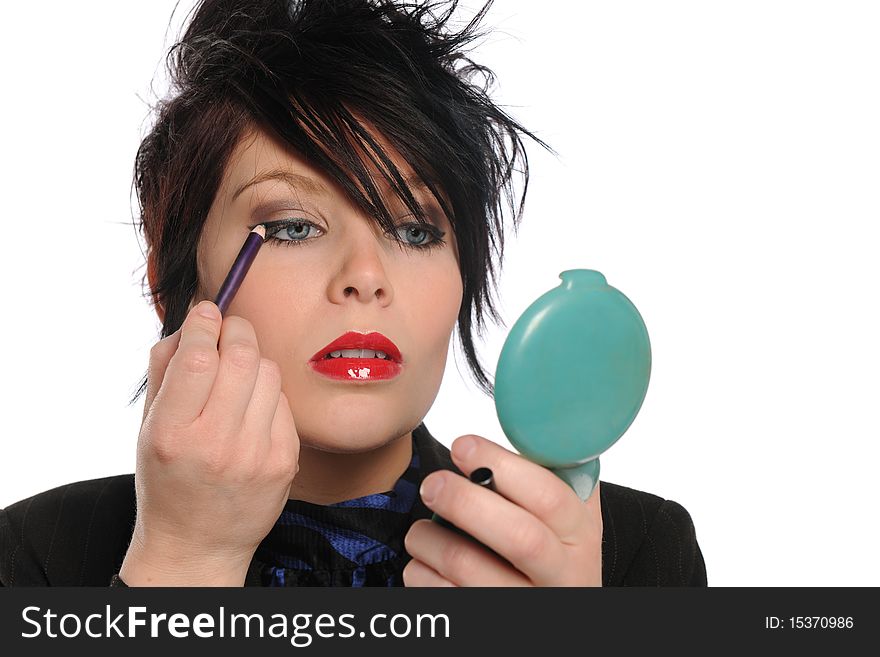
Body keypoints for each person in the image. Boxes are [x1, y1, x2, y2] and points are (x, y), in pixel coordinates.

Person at [0, 0, 706, 587]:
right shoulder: (38, 556)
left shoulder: (635, 553)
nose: (365, 275)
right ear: (169, 284)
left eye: (415, 230)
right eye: (294, 227)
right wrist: (184, 561)